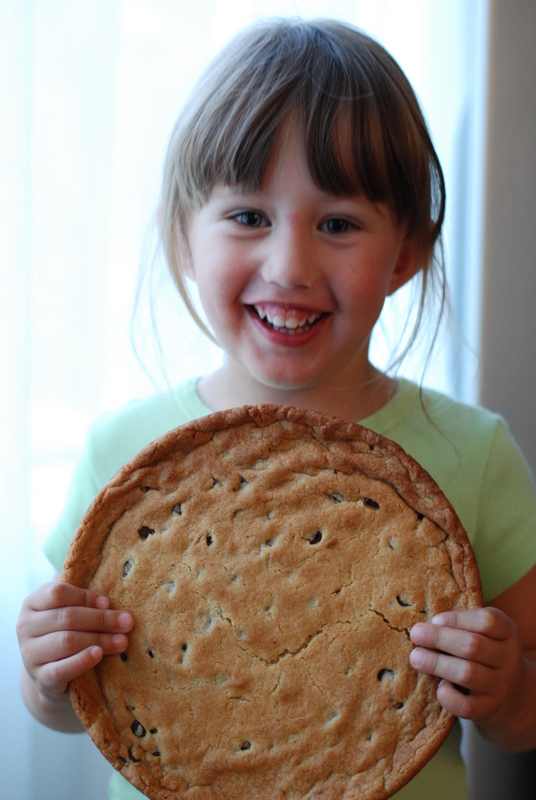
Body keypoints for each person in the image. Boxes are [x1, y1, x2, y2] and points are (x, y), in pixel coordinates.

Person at [16, 17, 536, 800]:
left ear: (405, 254)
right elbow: (77, 706)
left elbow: (527, 716)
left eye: (337, 224)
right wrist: (48, 679)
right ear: (185, 239)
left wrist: (510, 694)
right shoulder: (122, 458)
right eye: (249, 217)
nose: (289, 265)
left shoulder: (473, 452)